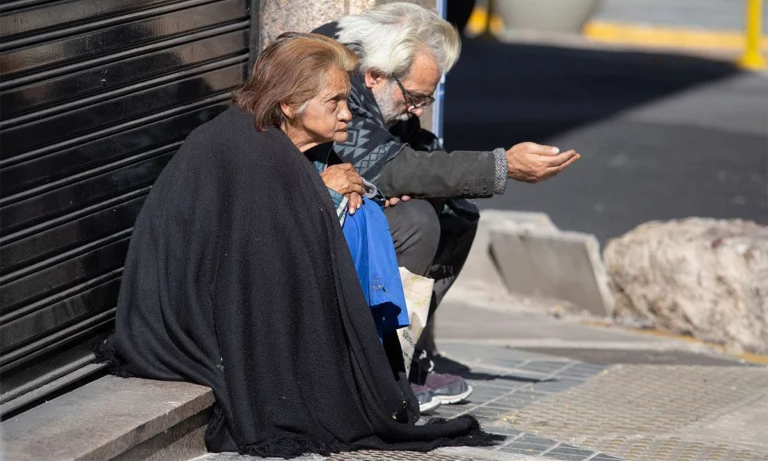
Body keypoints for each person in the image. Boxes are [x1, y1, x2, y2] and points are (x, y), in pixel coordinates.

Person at [96, 32, 499, 458]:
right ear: (290, 104)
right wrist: (320, 191)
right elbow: (254, 254)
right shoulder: (247, 148)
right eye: (335, 102)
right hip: (188, 322)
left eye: (347, 99)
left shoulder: (289, 142)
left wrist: (331, 188)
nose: (347, 114)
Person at [313, 3, 580, 404]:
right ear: (375, 76)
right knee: (416, 221)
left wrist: (410, 177)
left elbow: (406, 150)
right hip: (295, 215)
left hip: (336, 200)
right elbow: (388, 166)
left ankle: (404, 356)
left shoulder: (375, 66)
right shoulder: (331, 75)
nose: (419, 109)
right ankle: (376, 370)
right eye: (415, 98)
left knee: (455, 211)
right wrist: (502, 165)